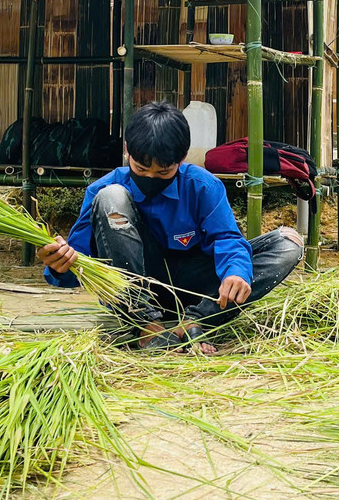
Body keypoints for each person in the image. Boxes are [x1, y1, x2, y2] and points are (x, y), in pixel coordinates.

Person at [38, 101, 304, 352]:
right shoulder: (104, 189)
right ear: (127, 150)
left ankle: (197, 320)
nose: (151, 177)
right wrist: (61, 264)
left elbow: (227, 239)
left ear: (182, 158)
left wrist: (236, 272)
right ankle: (144, 323)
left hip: (196, 288)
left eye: (163, 172)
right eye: (141, 169)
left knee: (288, 243)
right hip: (137, 288)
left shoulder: (202, 186)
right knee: (111, 197)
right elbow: (81, 266)